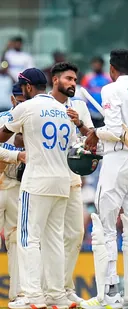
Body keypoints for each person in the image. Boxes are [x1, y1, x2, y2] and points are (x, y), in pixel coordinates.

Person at [80, 49, 128, 309]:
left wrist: (94, 133)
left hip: (117, 162)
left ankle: (110, 293)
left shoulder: (110, 90)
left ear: (112, 70)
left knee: (106, 227)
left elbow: (113, 130)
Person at [0, 68, 73, 309]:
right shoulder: (63, 110)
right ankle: (57, 295)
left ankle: (33, 296)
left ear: (28, 87)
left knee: (27, 238)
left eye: (23, 87)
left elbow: (3, 136)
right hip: (62, 181)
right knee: (53, 240)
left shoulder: (27, 106)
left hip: (37, 181)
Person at [49, 62, 95, 306]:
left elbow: (92, 139)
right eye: (68, 79)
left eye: (75, 80)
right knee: (51, 236)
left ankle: (64, 288)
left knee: (76, 234)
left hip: (72, 177)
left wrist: (79, 123)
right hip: (48, 176)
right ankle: (51, 289)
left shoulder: (79, 106)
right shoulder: (43, 104)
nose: (73, 83)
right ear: (55, 80)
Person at [0, 83, 27, 303]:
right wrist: (16, 156)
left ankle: (17, 295)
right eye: (19, 100)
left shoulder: (33, 119)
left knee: (17, 239)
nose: (22, 104)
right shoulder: (3, 119)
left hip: (18, 184)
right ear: (12, 99)